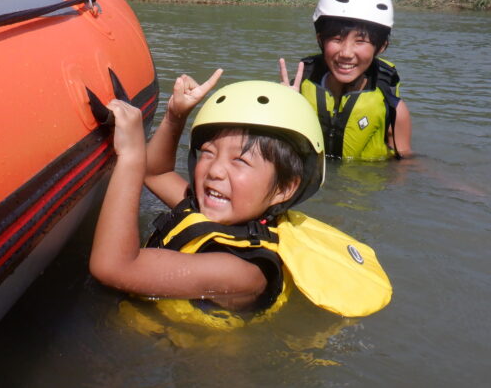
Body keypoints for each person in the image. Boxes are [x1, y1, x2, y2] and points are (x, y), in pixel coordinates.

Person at [90, 71, 391, 330]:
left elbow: (113, 268)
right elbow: (156, 173)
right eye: (207, 152)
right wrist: (175, 116)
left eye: (240, 162)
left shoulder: (242, 272)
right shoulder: (214, 211)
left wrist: (130, 155)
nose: (215, 170)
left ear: (285, 188)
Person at [279, 0, 412, 160]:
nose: (346, 53)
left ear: (381, 47)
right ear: (320, 40)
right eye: (336, 39)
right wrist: (283, 109)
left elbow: (406, 164)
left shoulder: (394, 109)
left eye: (360, 41)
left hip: (363, 185)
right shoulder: (296, 93)